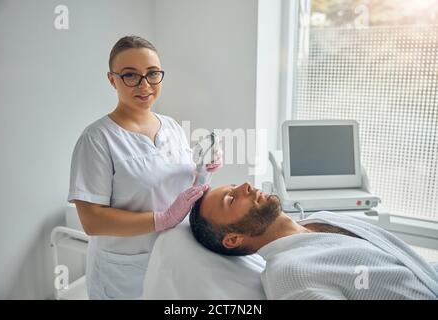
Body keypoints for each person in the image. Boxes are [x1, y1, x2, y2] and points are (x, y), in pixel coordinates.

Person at [67, 35, 223, 300]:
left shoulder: (172, 127)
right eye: (130, 75)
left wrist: (203, 168)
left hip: (173, 258)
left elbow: (177, 189)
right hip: (123, 272)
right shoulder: (97, 139)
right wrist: (162, 219)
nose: (144, 85)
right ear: (111, 79)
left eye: (152, 74)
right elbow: (91, 221)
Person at [189, 182, 438, 299]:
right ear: (233, 239)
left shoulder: (323, 218)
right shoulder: (290, 274)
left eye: (234, 185)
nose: (245, 186)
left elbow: (412, 269)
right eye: (231, 199)